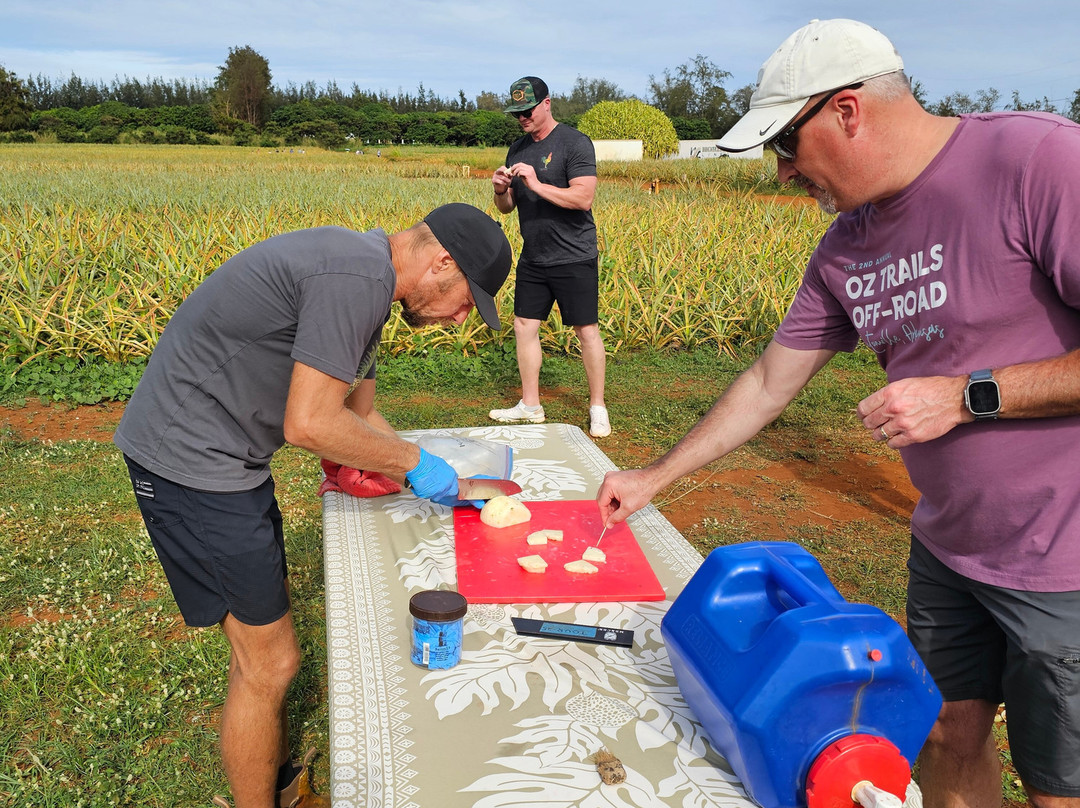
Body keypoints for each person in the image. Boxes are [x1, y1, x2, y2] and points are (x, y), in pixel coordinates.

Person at [596, 18, 1080, 808]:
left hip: (1064, 561)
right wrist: (655, 475)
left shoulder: (1037, 161)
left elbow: (970, 389)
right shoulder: (847, 247)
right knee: (943, 734)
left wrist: (967, 395)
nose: (783, 173)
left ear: (847, 111)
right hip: (951, 548)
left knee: (1059, 785)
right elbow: (765, 384)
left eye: (786, 145)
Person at [113, 203, 512, 808]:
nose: (460, 319)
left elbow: (357, 415)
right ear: (442, 261)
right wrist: (412, 463)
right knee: (269, 665)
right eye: (466, 302)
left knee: (262, 652)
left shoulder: (368, 283)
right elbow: (308, 422)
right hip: (190, 463)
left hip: (228, 459)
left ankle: (264, 771)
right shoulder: (354, 281)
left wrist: (415, 471)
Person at [489, 75, 611, 438]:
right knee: (524, 326)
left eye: (528, 110)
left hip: (574, 255)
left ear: (546, 104)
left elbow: (582, 198)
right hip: (534, 256)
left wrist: (537, 184)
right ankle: (530, 404)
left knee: (586, 331)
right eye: (517, 113)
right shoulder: (517, 148)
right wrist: (500, 191)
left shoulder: (575, 143)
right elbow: (507, 208)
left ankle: (597, 407)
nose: (522, 118)